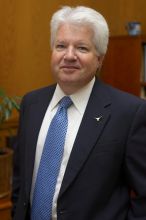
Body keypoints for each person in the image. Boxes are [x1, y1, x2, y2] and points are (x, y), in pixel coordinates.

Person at [12, 5, 146, 220]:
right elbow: (20, 179)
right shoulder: (31, 103)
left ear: (100, 59)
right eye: (61, 45)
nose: (69, 55)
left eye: (82, 48)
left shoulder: (129, 113)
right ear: (52, 52)